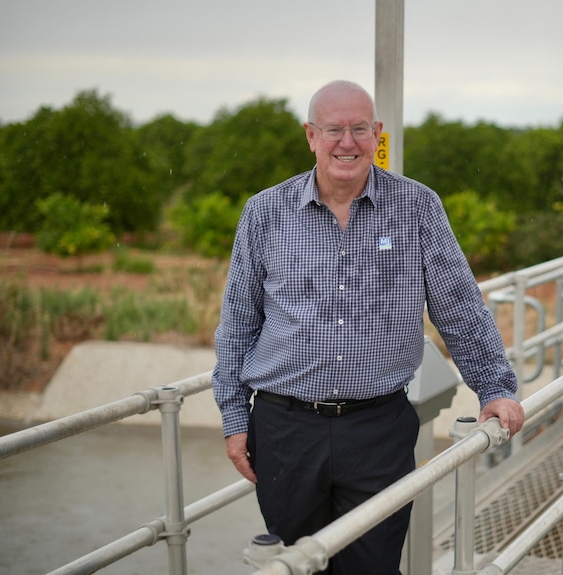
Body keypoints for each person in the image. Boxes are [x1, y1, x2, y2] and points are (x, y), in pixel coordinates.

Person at [212, 79, 524, 574]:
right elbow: (237, 326)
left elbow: (459, 308)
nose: (347, 142)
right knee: (295, 566)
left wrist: (496, 388)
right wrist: (234, 419)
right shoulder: (263, 213)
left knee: (373, 568)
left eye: (360, 129)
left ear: (377, 134)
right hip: (284, 431)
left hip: (377, 429)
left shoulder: (417, 206)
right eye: (334, 129)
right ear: (310, 135)